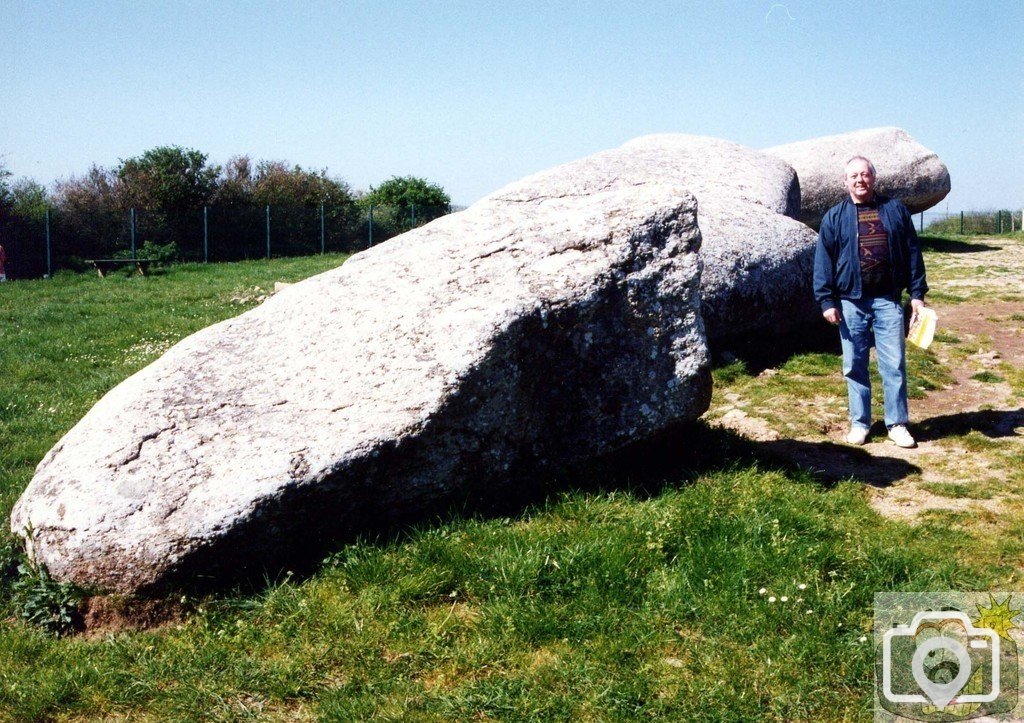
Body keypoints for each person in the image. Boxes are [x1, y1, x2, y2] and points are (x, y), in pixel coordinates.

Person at [813, 156, 928, 448]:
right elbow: (823, 262)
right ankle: (860, 423)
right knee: (854, 365)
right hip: (851, 302)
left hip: (888, 300)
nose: (859, 180)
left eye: (865, 175)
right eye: (853, 176)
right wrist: (827, 300)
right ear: (845, 181)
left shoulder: (895, 210)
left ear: (874, 178)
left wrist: (917, 295)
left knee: (894, 364)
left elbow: (913, 253)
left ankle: (897, 424)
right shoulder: (834, 217)